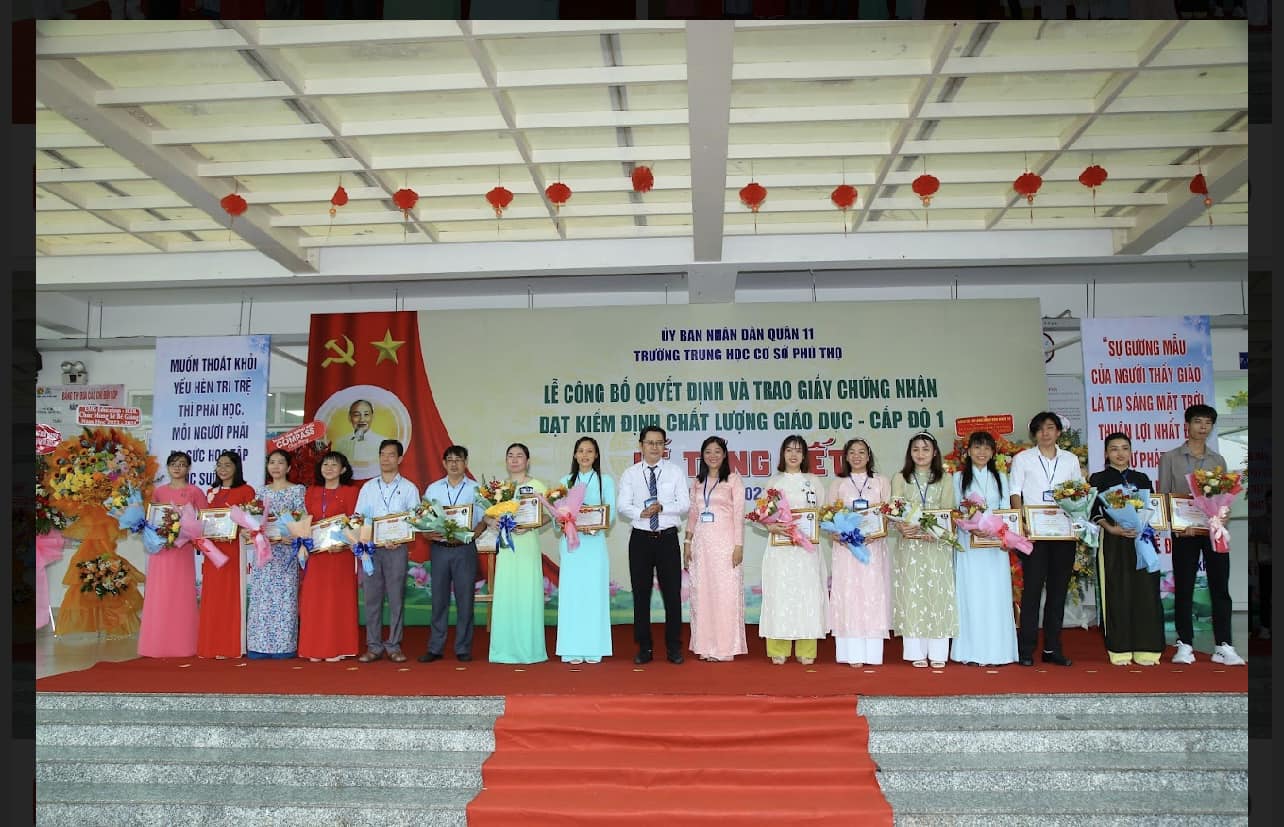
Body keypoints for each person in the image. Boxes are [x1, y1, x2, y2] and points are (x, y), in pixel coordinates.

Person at [1157, 403, 1244, 666]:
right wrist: (1175, 524)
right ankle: (1184, 644)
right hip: (1185, 532)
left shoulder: (1217, 460)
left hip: (1213, 531)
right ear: (1187, 425)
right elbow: (1164, 496)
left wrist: (1224, 515)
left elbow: (1224, 497)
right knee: (1184, 587)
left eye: (1207, 423)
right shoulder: (1170, 458)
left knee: (1220, 587)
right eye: (1198, 421)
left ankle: (1224, 645)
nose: (1203, 427)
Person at [1008, 412, 1084, 667]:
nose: (1045, 433)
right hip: (1034, 534)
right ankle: (1026, 649)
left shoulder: (1070, 459)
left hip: (1063, 532)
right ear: (1034, 434)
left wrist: (1077, 518)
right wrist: (1022, 522)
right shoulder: (1023, 459)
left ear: (1058, 432)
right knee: (1031, 591)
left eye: (1050, 428)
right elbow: (1015, 492)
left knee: (1058, 592)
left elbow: (1079, 492)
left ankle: (1052, 648)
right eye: (1040, 429)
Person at [1090, 432, 1165, 667]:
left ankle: (1147, 648)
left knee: (1146, 592)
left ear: (1131, 452)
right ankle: (1119, 648)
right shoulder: (1099, 478)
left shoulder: (1141, 478)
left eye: (1124, 448)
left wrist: (1142, 524)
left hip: (1142, 539)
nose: (1120, 453)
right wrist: (1111, 528)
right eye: (1114, 449)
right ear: (1106, 453)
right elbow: (1092, 510)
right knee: (1117, 591)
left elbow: (1151, 507)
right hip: (1113, 540)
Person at [617, 426, 690, 665]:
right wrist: (641, 512)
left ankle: (674, 647)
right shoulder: (630, 474)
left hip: (667, 538)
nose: (655, 447)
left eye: (659, 443)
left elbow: (685, 504)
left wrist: (662, 508)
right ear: (641, 445)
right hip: (640, 539)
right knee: (641, 595)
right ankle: (644, 647)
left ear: (664, 446)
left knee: (672, 595)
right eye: (650, 442)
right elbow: (622, 505)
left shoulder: (675, 472)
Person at [757, 434, 828, 666]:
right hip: (781, 550)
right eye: (789, 450)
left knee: (808, 595)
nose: (793, 454)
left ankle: (807, 649)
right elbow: (762, 514)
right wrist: (770, 525)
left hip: (806, 550)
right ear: (783, 454)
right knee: (780, 595)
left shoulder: (813, 481)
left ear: (804, 455)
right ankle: (778, 648)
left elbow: (823, 513)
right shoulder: (774, 482)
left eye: (798, 450)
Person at [949, 431, 1018, 667]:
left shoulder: (1001, 477)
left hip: (995, 546)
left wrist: (1002, 535)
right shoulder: (958, 478)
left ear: (993, 452)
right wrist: (970, 527)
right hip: (969, 544)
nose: (982, 452)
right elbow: (955, 511)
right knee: (971, 595)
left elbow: (1006, 510)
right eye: (977, 447)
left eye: (987, 448)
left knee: (995, 596)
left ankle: (999, 652)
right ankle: (970, 652)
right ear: (968, 451)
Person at [891, 431, 958, 669]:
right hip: (909, 545)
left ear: (935, 452)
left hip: (935, 544)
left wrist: (935, 531)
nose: (921, 454)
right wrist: (900, 526)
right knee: (913, 595)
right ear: (909, 453)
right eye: (916, 449)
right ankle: (915, 652)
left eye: (926, 449)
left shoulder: (945, 478)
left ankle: (938, 652)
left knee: (938, 595)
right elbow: (894, 509)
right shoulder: (900, 477)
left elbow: (948, 510)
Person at [826, 437, 893, 667]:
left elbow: (888, 514)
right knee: (849, 596)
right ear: (846, 457)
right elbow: (829, 516)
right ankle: (851, 653)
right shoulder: (838, 483)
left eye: (861, 452)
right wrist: (835, 533)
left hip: (873, 547)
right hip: (846, 550)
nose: (857, 456)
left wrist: (879, 531)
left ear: (868, 455)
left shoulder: (881, 481)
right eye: (852, 452)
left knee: (873, 594)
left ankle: (873, 654)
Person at [353, 440, 419, 663]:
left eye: (391, 455)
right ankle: (373, 646)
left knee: (396, 598)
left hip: (397, 550)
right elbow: (358, 517)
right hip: (371, 550)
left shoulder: (409, 488)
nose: (385, 459)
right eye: (382, 454)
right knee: (372, 599)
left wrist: (400, 538)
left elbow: (415, 520)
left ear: (400, 459)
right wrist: (367, 536)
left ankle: (394, 645)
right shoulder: (368, 487)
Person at [420, 445, 487, 663]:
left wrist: (472, 535)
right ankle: (435, 647)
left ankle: (463, 648)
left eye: (458, 459)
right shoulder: (433, 489)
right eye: (449, 459)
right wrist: (427, 533)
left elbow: (484, 519)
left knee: (465, 600)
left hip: (464, 550)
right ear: (444, 463)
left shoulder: (476, 488)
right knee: (438, 600)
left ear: (466, 463)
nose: (454, 463)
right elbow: (424, 518)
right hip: (440, 549)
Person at [684, 435, 747, 662]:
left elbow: (738, 515)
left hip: (726, 545)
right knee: (703, 595)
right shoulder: (697, 482)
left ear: (724, 455)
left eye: (717, 451)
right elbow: (693, 514)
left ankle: (724, 648)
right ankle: (705, 646)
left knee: (725, 594)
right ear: (702, 455)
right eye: (708, 451)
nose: (712, 456)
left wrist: (738, 546)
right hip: (701, 546)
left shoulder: (733, 480)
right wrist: (687, 543)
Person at [556, 436, 616, 665]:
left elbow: (609, 514)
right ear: (574, 454)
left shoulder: (605, 481)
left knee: (593, 594)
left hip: (594, 544)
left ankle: (593, 647)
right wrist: (563, 521)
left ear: (596, 455)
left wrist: (594, 526)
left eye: (589, 451)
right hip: (572, 546)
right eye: (581, 451)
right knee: (572, 594)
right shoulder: (565, 481)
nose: (585, 455)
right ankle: (571, 648)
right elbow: (558, 515)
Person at [138, 451, 204, 658]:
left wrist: (187, 533)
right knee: (159, 595)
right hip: (161, 551)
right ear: (167, 467)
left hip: (182, 551)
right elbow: (151, 520)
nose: (177, 468)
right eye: (174, 464)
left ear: (188, 468)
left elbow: (204, 520)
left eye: (182, 464)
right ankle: (155, 644)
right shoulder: (159, 492)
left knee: (181, 596)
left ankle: (183, 645)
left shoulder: (195, 492)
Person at [297, 451, 360, 662]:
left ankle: (338, 647)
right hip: (316, 555)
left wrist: (344, 544)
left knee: (337, 600)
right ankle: (314, 648)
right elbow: (304, 519)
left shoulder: (351, 492)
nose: (329, 468)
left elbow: (355, 522)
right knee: (314, 600)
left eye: (334, 465)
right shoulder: (312, 491)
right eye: (325, 464)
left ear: (343, 469)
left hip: (340, 555)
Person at [197, 450, 257, 659]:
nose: (222, 469)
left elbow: (251, 521)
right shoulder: (211, 492)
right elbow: (204, 520)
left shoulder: (246, 491)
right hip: (212, 552)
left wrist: (244, 530)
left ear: (236, 467)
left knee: (231, 595)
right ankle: (211, 645)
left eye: (228, 465)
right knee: (212, 597)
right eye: (219, 465)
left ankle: (230, 646)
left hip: (234, 549)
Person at [246, 449, 305, 659]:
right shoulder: (261, 492)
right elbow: (253, 521)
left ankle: (283, 646)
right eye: (272, 462)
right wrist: (253, 532)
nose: (276, 466)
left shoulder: (297, 491)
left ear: (288, 467)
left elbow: (302, 520)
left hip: (286, 553)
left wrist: (291, 535)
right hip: (264, 553)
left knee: (284, 599)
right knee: (261, 599)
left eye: (281, 462)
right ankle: (258, 646)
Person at [340, 399, 390, 475]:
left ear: (372, 417)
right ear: (350, 418)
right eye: (357, 415)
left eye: (366, 414)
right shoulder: (340, 442)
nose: (362, 419)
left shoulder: (383, 442)